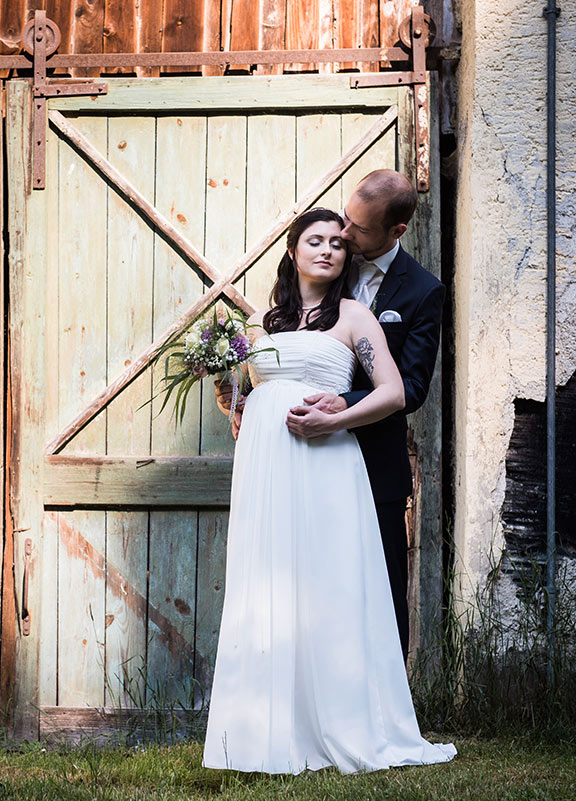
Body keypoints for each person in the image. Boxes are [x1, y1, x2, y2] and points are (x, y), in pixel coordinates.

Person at [201, 207, 455, 774]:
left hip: (327, 461)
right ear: (292, 252)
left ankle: (339, 722)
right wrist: (237, 403)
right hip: (268, 467)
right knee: (268, 583)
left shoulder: (356, 318)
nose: (327, 250)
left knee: (328, 585)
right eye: (314, 241)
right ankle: (261, 729)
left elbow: (393, 393)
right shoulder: (261, 325)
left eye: (338, 244)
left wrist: (333, 422)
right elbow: (243, 391)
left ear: (347, 258)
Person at [220, 169, 445, 660]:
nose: (341, 236)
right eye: (342, 221)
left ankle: (383, 704)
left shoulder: (420, 291)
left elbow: (410, 386)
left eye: (355, 232)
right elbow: (251, 375)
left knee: (376, 585)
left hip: (370, 457)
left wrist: (342, 404)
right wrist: (240, 404)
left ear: (395, 232)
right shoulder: (277, 314)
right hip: (287, 460)